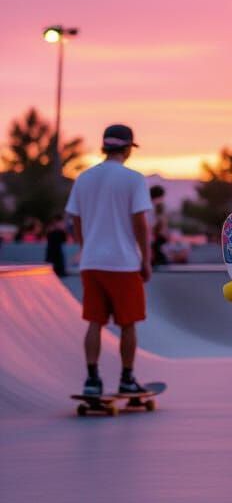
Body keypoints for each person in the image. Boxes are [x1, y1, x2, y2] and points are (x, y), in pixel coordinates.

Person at [65, 124, 152, 397]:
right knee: (128, 323)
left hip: (91, 262)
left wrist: (85, 246)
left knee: (94, 321)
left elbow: (74, 218)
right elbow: (140, 222)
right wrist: (146, 258)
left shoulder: (83, 178)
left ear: (105, 147)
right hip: (123, 263)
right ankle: (127, 378)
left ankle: (92, 379)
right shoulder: (134, 179)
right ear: (127, 149)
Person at [150, 185, 169, 267]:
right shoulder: (157, 205)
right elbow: (159, 221)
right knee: (157, 251)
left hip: (157, 234)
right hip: (157, 233)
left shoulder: (156, 205)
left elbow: (160, 220)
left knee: (157, 250)